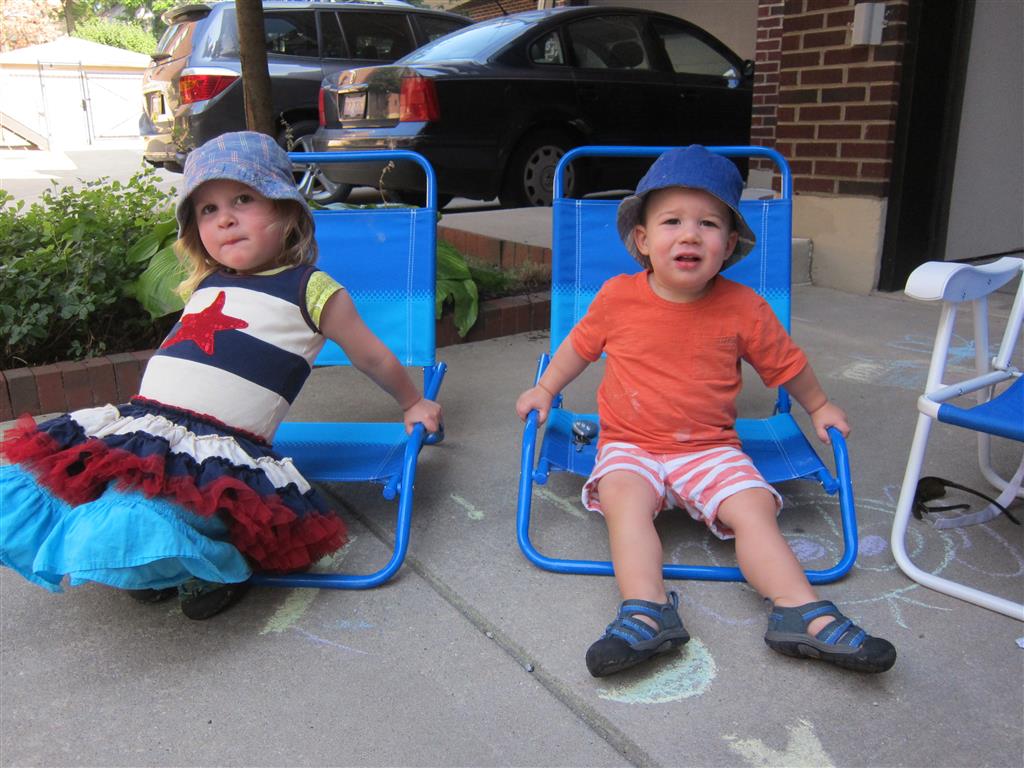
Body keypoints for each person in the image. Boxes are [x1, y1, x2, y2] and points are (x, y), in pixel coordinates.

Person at [0, 131, 442, 620]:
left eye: (243, 200)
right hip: (144, 426)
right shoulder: (208, 281)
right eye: (208, 209)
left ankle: (211, 564)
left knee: (150, 507)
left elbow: (372, 356)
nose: (225, 218)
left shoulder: (311, 289)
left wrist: (412, 402)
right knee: (61, 484)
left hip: (216, 451)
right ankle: (155, 561)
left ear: (286, 210)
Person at [515, 145, 896, 676]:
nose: (690, 235)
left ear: (729, 244)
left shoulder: (744, 308)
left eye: (709, 224)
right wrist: (545, 388)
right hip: (630, 444)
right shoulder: (617, 297)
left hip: (710, 448)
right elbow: (578, 347)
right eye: (672, 221)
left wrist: (819, 405)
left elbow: (787, 364)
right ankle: (647, 611)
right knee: (623, 499)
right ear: (643, 240)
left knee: (753, 507)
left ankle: (798, 610)